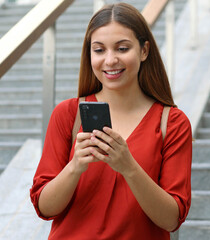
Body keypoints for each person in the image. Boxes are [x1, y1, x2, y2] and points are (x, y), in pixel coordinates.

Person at [30, 3, 192, 239]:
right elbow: (44, 208)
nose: (110, 60)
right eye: (99, 50)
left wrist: (128, 167)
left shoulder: (172, 123)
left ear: (144, 51)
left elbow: (171, 219)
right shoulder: (67, 114)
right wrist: (75, 166)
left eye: (122, 48)